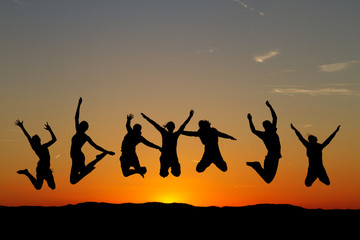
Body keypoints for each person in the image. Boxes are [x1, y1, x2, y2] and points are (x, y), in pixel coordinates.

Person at [70, 97, 115, 184]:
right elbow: (76, 118)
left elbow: (96, 146)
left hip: (78, 157)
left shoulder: (82, 134)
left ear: (83, 128)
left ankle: (97, 160)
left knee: (74, 180)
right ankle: (98, 159)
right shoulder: (81, 134)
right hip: (76, 157)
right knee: (76, 177)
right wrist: (79, 105)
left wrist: (107, 151)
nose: (78, 125)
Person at [141, 110, 194, 178]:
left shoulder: (165, 133)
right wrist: (190, 116)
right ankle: (168, 171)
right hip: (169, 158)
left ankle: (169, 171)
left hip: (167, 158)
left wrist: (146, 117)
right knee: (165, 174)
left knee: (169, 174)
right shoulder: (173, 134)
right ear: (173, 128)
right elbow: (183, 125)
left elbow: (154, 124)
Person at [246, 101, 281, 183]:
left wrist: (250, 120)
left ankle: (256, 165)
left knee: (268, 179)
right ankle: (256, 165)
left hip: (270, 157)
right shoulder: (271, 131)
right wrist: (270, 106)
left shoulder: (264, 134)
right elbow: (275, 117)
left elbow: (253, 131)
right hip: (272, 158)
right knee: (268, 179)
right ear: (269, 126)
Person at [15, 120, 57, 190]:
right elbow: (28, 137)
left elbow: (54, 139)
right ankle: (27, 173)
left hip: (46, 169)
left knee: (53, 187)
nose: (37, 142)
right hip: (41, 169)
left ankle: (26, 173)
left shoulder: (44, 146)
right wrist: (22, 127)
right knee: (38, 187)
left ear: (39, 140)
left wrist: (50, 130)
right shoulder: (36, 148)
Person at [120, 114, 161, 178]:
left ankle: (139, 170)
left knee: (126, 173)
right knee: (126, 173)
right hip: (129, 155)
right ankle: (139, 170)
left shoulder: (133, 134)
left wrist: (128, 120)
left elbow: (148, 143)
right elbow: (149, 143)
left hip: (128, 155)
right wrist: (158, 147)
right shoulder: (137, 136)